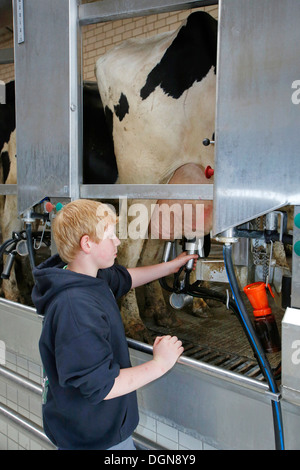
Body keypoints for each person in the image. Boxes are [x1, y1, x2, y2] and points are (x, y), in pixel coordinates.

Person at [32, 199, 198, 450]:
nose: (118, 242)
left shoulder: (85, 275)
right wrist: (160, 364)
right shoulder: (75, 307)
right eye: (110, 236)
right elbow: (102, 385)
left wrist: (170, 267)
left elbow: (126, 278)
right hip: (94, 441)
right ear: (87, 243)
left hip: (97, 430)